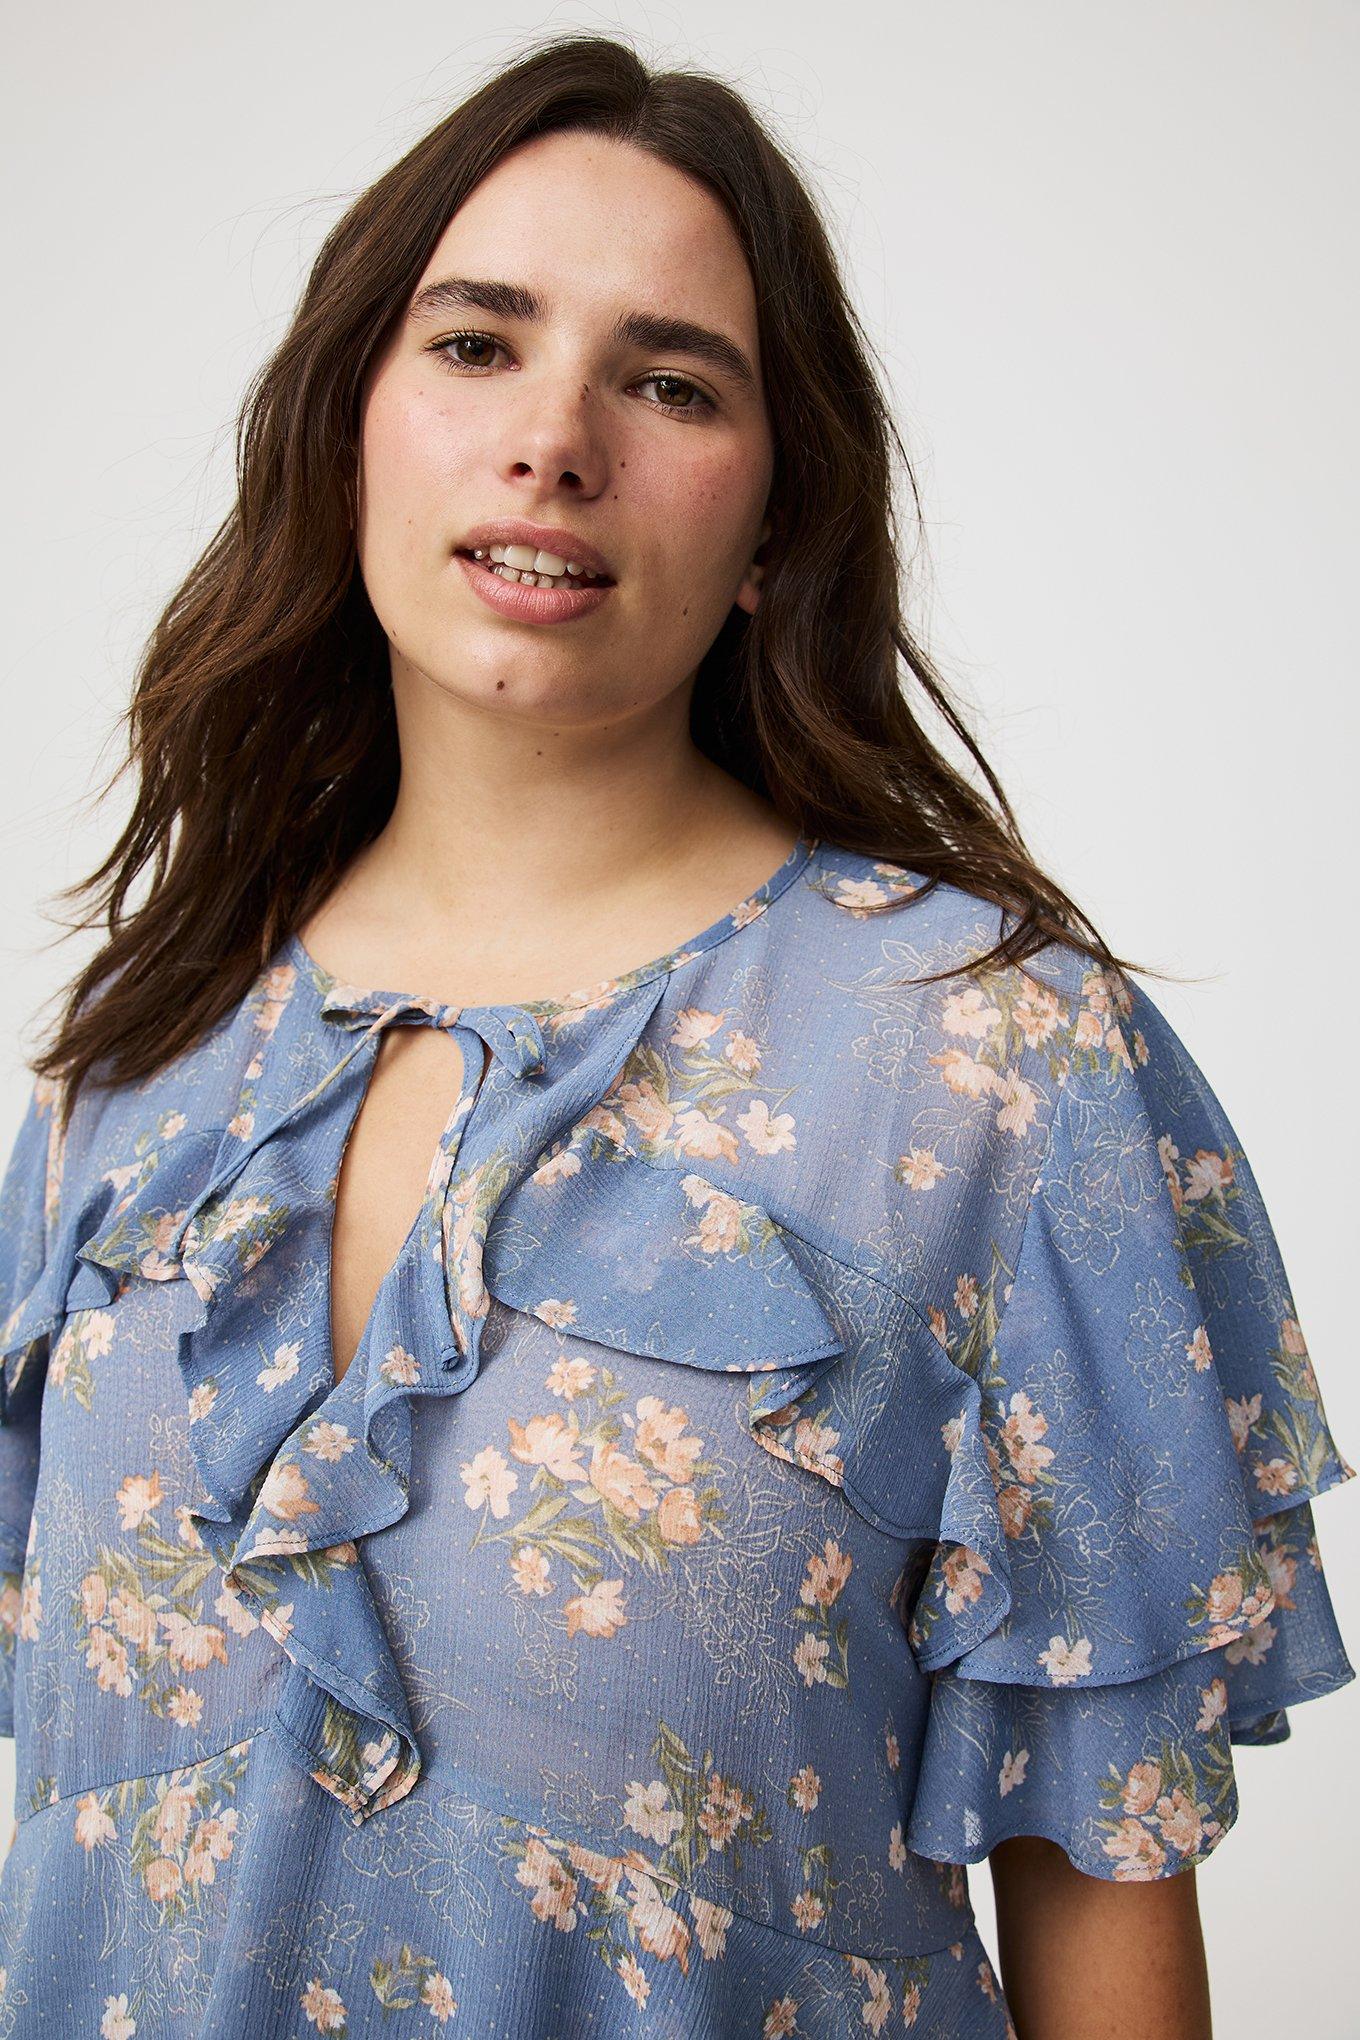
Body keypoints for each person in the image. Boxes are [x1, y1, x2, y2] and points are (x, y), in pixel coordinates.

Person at [0, 32, 1351, 2040]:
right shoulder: (134, 1064)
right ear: (348, 426)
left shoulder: (996, 1064)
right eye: (477, 344)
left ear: (774, 519)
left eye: (669, 383)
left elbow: (1104, 1906)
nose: (553, 441)